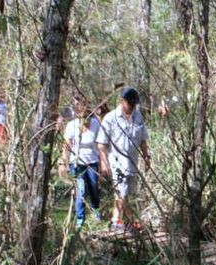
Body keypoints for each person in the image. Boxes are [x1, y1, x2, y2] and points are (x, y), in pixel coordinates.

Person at [97, 87, 151, 232]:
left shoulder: (138, 116)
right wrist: (103, 162)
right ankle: (129, 221)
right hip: (117, 162)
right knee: (122, 192)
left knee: (125, 193)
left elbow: (143, 140)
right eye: (130, 103)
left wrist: (146, 156)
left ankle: (118, 221)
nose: (132, 107)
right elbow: (101, 143)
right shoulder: (110, 118)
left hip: (132, 162)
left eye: (134, 104)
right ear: (122, 101)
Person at [59, 95, 102, 228]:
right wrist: (63, 162)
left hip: (92, 161)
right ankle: (80, 218)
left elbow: (101, 143)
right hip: (76, 163)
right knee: (81, 190)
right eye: (76, 105)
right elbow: (66, 146)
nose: (79, 108)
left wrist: (104, 161)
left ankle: (96, 210)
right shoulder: (71, 126)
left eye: (81, 104)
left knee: (94, 187)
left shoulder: (96, 123)